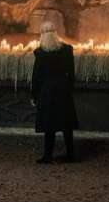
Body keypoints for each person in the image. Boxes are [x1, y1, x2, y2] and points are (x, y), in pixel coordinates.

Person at [31, 21, 79, 164]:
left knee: (49, 123)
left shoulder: (40, 52)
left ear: (42, 34)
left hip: (47, 90)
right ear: (55, 33)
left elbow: (36, 77)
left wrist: (34, 95)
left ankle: (47, 156)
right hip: (63, 89)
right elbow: (71, 73)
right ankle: (70, 155)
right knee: (66, 124)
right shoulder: (67, 50)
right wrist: (69, 89)